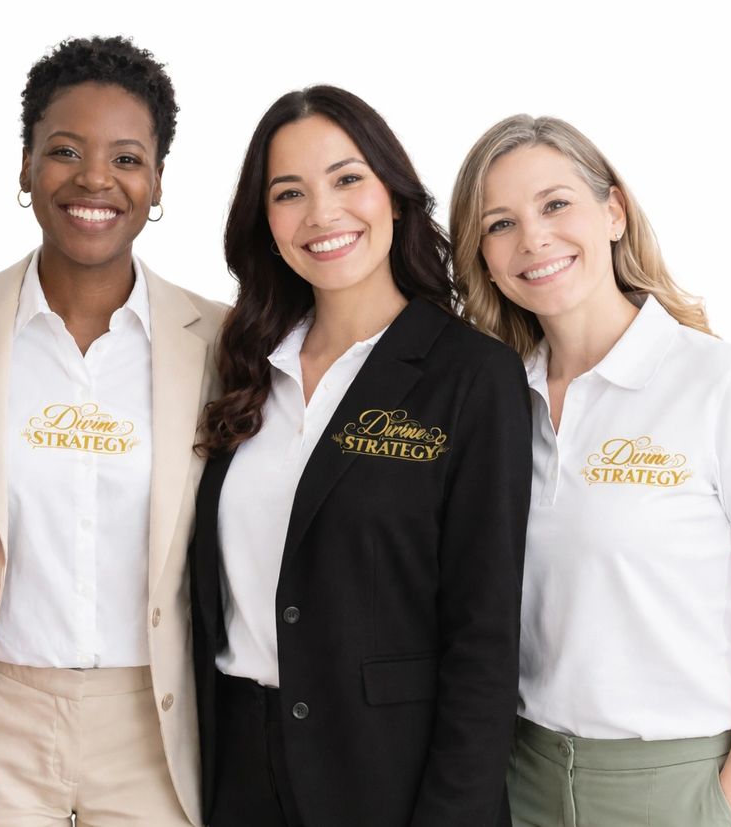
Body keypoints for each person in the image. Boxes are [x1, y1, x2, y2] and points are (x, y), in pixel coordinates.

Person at [450, 114, 731, 827]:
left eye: (556, 204)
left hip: (680, 786)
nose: (533, 238)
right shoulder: (494, 403)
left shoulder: (723, 383)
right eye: (499, 223)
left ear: (614, 210)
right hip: (521, 777)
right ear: (484, 257)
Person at [190, 85, 531, 827]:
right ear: (266, 222)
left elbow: (485, 632)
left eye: (348, 179)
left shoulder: (470, 375)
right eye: (289, 192)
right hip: (237, 769)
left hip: (390, 775)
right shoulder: (245, 365)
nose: (322, 213)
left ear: (396, 197)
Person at [0, 37, 226, 826]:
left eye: (127, 157)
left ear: (158, 178)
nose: (95, 178)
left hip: (156, 722)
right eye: (64, 150)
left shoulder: (220, 342)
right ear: (26, 165)